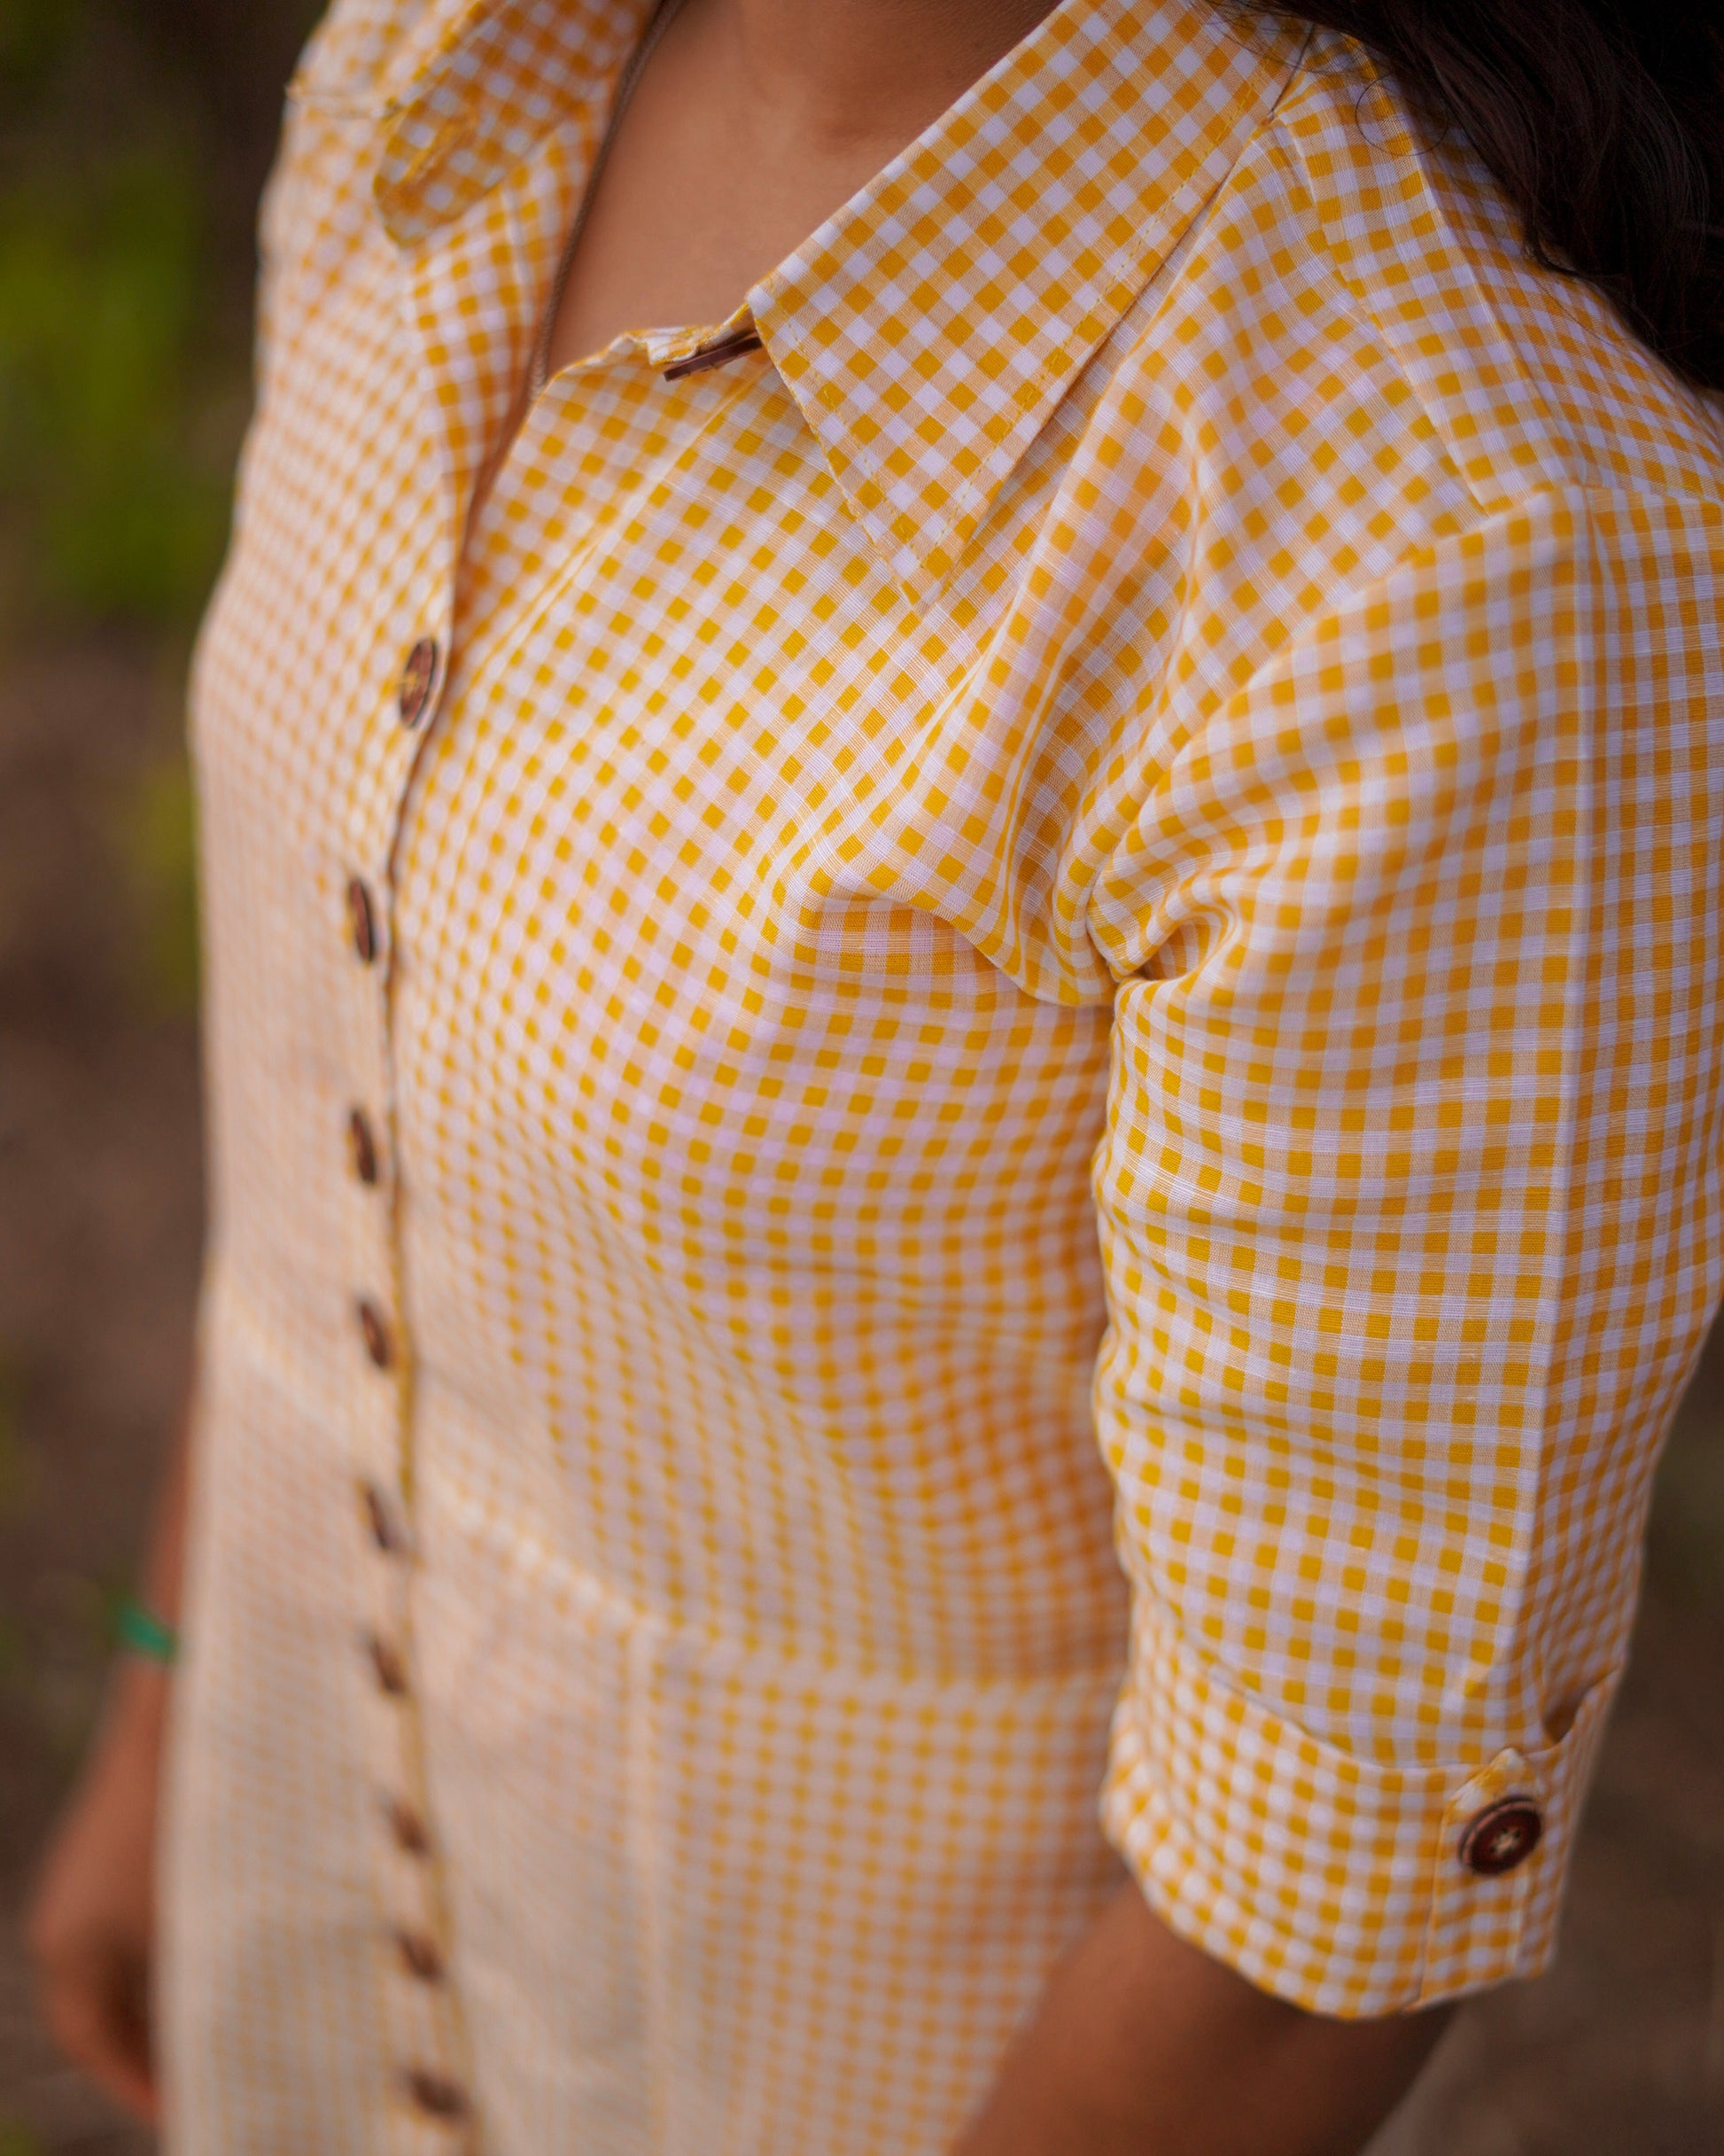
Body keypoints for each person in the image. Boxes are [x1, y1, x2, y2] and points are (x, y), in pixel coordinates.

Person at [26, 0, 1724, 2150]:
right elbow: (332, 1069)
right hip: (306, 1940)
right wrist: (180, 1696)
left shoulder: (1448, 534)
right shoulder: (446, 58)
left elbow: (1303, 1900)